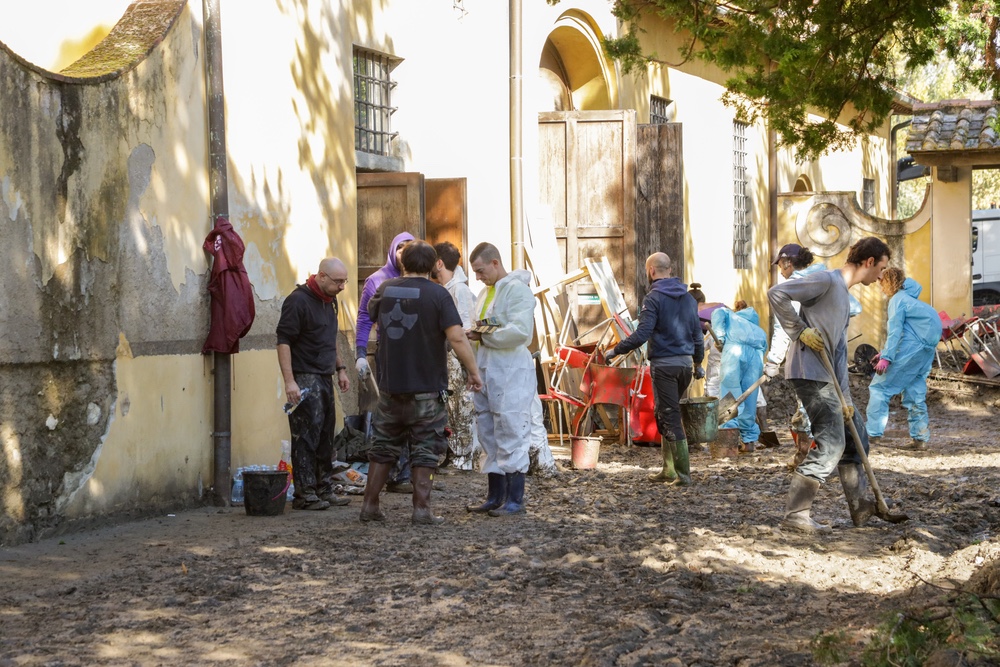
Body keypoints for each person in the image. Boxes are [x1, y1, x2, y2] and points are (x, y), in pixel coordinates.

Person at [767, 236, 891, 533]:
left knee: (855, 437)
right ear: (869, 262)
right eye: (882, 267)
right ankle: (796, 515)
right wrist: (799, 331)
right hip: (809, 372)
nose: (881, 276)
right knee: (832, 441)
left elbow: (838, 353)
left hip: (827, 375)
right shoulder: (826, 281)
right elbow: (776, 294)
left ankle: (861, 508)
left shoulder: (845, 299)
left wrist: (846, 397)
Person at [359, 241, 483, 524]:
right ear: (432, 265)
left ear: (403, 263)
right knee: (426, 449)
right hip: (426, 388)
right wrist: (473, 371)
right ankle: (422, 510)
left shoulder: (385, 289)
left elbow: (373, 315)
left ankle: (369, 505)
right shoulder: (438, 295)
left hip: (390, 387)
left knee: (383, 447)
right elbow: (456, 337)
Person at [606, 252, 704, 486]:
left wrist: (615, 350)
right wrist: (698, 363)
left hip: (664, 366)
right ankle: (668, 469)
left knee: (669, 416)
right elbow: (697, 336)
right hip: (684, 366)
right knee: (666, 412)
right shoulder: (689, 299)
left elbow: (642, 334)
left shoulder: (653, 299)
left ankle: (682, 474)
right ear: (669, 270)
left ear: (651, 271)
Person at [465, 242, 538, 516]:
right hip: (487, 369)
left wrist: (483, 335)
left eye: (481, 270)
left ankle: (514, 498)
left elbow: (520, 331)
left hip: (509, 370)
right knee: (488, 430)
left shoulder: (517, 290)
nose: (478, 277)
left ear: (495, 263)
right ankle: (495, 495)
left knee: (510, 427)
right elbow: (489, 324)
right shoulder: (486, 292)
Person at [276, 258, 352, 510]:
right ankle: (305, 493)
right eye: (338, 281)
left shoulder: (331, 301)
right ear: (321, 276)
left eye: (345, 281)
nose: (342, 286)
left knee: (325, 435)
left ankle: (323, 488)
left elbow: (331, 339)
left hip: (325, 374)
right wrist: (290, 381)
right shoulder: (297, 301)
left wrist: (340, 368)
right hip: (304, 375)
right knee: (306, 436)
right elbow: (283, 341)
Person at [356, 231, 415, 492]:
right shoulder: (377, 280)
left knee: (419, 413)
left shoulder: (422, 280)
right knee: (393, 412)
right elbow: (364, 319)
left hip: (417, 354)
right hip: (390, 354)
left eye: (408, 247)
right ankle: (395, 475)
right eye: (399, 247)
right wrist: (359, 354)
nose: (403, 252)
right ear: (392, 250)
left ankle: (416, 472)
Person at [866, 268, 942, 450]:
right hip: (926, 350)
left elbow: (895, 331)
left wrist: (887, 358)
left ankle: (872, 436)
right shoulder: (912, 301)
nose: (881, 287)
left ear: (889, 282)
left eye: (881, 283)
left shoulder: (897, 300)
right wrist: (883, 353)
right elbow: (906, 331)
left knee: (879, 387)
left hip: (911, 348)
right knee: (915, 390)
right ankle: (920, 439)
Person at [433, 241, 479, 470]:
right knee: (450, 407)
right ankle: (453, 453)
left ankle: (463, 457)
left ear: (439, 263)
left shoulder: (459, 290)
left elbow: (464, 327)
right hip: (447, 358)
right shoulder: (447, 289)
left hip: (458, 359)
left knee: (461, 407)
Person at [711, 300, 767, 450]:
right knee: (750, 397)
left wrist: (720, 337)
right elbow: (764, 348)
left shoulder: (731, 316)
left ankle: (728, 441)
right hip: (756, 358)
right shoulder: (759, 330)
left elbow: (718, 312)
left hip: (734, 353)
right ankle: (748, 441)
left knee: (730, 394)